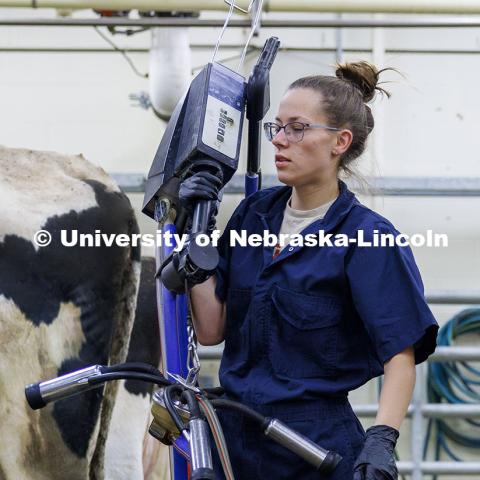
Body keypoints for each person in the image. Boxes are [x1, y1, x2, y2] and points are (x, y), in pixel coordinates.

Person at [180, 61, 439, 479]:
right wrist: (195, 236)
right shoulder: (252, 215)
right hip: (234, 441)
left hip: (315, 450)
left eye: (297, 128)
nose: (280, 141)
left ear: (340, 141)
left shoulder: (368, 238)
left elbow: (399, 357)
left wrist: (382, 440)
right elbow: (212, 329)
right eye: (277, 128)